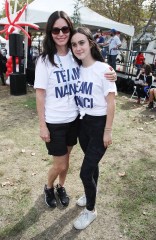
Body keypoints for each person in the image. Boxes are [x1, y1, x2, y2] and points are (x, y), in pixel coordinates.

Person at [34, 11, 117, 209]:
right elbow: (39, 95)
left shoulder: (74, 55)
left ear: (69, 30)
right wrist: (42, 126)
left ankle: (61, 186)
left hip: (75, 120)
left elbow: (94, 68)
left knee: (67, 159)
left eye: (65, 29)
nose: (61, 33)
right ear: (50, 32)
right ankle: (48, 187)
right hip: (55, 122)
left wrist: (112, 73)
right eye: (56, 29)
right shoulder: (45, 61)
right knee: (60, 164)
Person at [71, 27, 117, 229]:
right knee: (92, 166)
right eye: (74, 44)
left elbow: (111, 103)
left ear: (90, 43)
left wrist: (107, 131)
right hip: (83, 124)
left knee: (84, 172)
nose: (78, 47)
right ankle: (92, 191)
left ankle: (91, 210)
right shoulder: (76, 69)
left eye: (81, 42)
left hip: (99, 126)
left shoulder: (104, 70)